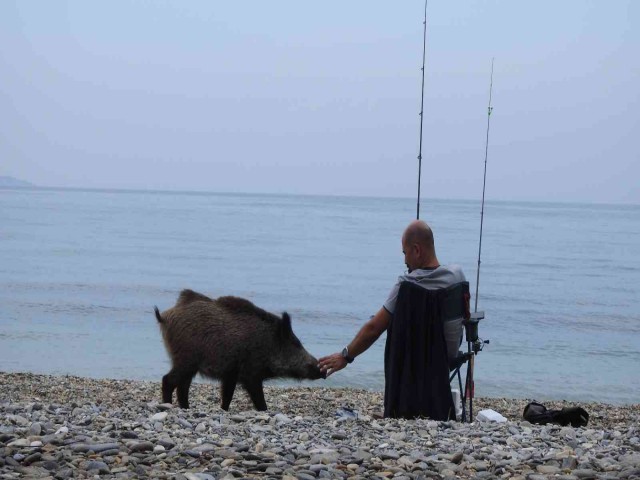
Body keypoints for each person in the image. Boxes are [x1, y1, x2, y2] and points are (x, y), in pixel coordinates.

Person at [318, 219, 467, 378]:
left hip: (414, 372)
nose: (405, 261)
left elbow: (373, 329)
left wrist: (345, 356)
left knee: (385, 320)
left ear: (416, 250)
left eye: (405, 253)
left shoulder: (408, 286)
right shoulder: (457, 277)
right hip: (446, 365)